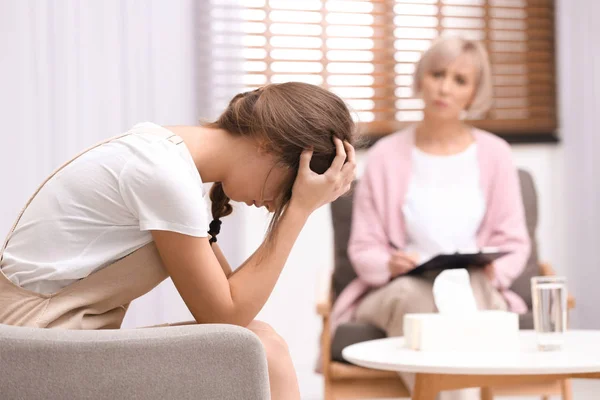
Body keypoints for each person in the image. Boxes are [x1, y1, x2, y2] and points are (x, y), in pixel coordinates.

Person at [0, 82, 357, 400]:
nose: (274, 205)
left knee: (259, 342)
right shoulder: (162, 173)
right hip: (33, 348)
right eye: (288, 187)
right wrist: (298, 212)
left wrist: (297, 206)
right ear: (267, 145)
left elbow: (230, 301)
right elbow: (225, 315)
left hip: (51, 343)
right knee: (261, 350)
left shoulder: (166, 157)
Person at [329, 36, 531, 398]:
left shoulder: (496, 155)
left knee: (467, 295)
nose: (444, 87)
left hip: (473, 283)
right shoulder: (385, 157)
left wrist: (492, 270)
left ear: (474, 93)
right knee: (419, 302)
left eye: (460, 80)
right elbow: (363, 246)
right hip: (400, 287)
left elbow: (514, 240)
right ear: (421, 78)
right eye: (437, 74)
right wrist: (389, 264)